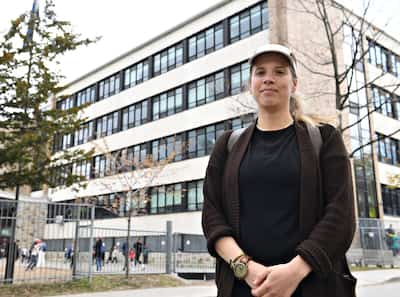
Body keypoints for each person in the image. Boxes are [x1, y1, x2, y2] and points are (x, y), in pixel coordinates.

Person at [202, 44, 356, 297]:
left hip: (312, 286)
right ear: (251, 84)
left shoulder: (325, 139)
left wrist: (294, 273)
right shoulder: (227, 144)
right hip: (242, 289)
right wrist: (246, 268)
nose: (268, 79)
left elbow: (341, 215)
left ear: (294, 84)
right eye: (260, 72)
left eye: (279, 72)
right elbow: (212, 214)